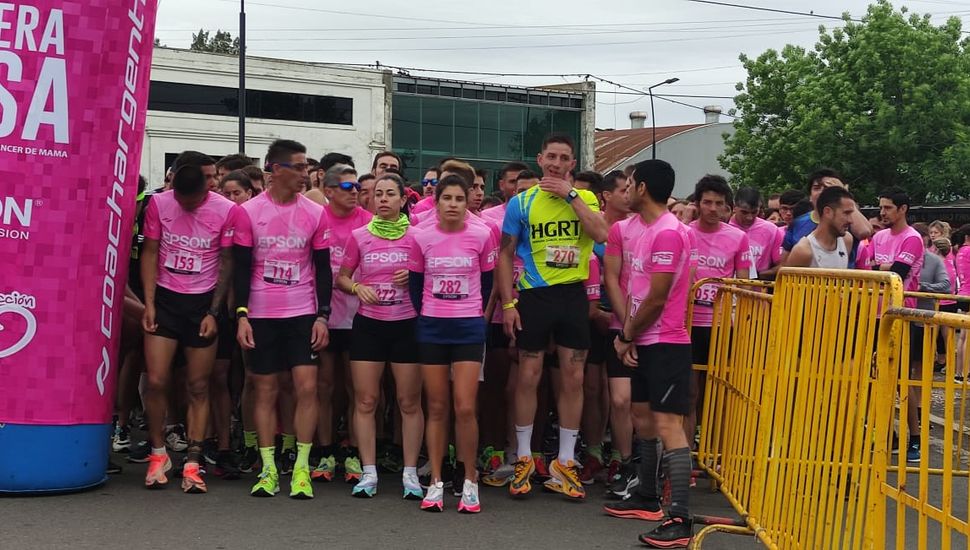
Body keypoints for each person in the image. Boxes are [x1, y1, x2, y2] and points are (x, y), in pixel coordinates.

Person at [498, 133, 608, 501]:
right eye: (552, 157)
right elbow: (504, 254)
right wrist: (508, 305)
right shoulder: (522, 202)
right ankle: (524, 457)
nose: (557, 164)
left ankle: (564, 462)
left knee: (573, 378)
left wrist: (571, 195)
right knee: (528, 375)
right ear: (541, 158)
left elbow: (601, 233)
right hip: (534, 296)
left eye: (564, 158)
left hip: (573, 296)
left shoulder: (587, 198)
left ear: (572, 164)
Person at [233, 139, 333, 499]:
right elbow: (241, 269)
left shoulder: (315, 213)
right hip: (261, 312)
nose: (306, 173)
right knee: (266, 389)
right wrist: (242, 316)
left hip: (302, 312)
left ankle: (301, 468)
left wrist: (322, 317)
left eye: (307, 167)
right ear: (277, 170)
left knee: (307, 387)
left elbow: (324, 270)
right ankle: (268, 469)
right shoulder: (248, 212)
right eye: (300, 166)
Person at [608, 159, 696, 548]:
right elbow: (637, 290)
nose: (624, 190)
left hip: (666, 341)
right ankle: (645, 495)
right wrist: (631, 336)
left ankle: (679, 516)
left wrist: (626, 333)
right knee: (642, 416)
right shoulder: (643, 231)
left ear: (642, 187)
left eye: (628, 183)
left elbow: (657, 298)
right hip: (644, 339)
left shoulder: (668, 233)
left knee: (667, 426)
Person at [140, 153, 238, 494]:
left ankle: (193, 462)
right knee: (156, 380)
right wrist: (149, 304)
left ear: (205, 192)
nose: (186, 205)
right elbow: (150, 251)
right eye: (181, 200)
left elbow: (227, 263)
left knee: (199, 385)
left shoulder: (225, 209)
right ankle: (157, 454)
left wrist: (214, 312)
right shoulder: (158, 204)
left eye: (192, 201)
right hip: (166, 300)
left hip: (201, 304)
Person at [408, 175, 496, 513]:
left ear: (466, 202)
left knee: (465, 406)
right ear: (438, 201)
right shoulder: (421, 236)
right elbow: (416, 285)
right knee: (437, 406)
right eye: (448, 198)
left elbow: (487, 284)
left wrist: (474, 314)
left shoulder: (482, 234)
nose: (454, 204)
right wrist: (431, 312)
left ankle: (470, 480)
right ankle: (436, 482)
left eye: (460, 198)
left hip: (469, 329)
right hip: (432, 327)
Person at [334, 173, 424, 499]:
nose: (383, 199)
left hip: (406, 325)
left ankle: (410, 474)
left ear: (403, 200)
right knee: (366, 400)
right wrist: (358, 287)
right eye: (378, 194)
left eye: (390, 194)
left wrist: (414, 277)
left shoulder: (418, 236)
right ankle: (368, 472)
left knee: (408, 401)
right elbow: (342, 278)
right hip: (369, 325)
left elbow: (431, 279)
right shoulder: (358, 236)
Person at [480, 171, 540, 488]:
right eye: (519, 190)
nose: (524, 196)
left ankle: (521, 454)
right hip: (499, 314)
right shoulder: (492, 219)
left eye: (531, 190)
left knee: (523, 386)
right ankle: (495, 452)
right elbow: (493, 267)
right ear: (508, 190)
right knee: (494, 388)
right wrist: (492, 310)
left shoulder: (545, 216)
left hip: (532, 312)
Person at [314, 163, 373, 484]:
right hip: (324, 316)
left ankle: (351, 450)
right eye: (349, 188)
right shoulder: (317, 219)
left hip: (359, 318)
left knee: (356, 390)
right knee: (323, 387)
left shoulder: (368, 222)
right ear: (330, 191)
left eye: (358, 188)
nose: (356, 194)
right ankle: (324, 449)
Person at [686, 176, 751, 451]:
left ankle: (715, 453)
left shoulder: (739, 237)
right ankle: (685, 455)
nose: (712, 208)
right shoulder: (684, 232)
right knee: (689, 393)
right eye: (707, 202)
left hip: (723, 325)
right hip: (687, 325)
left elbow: (745, 285)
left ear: (728, 207)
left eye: (719, 204)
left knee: (719, 393)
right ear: (698, 204)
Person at [868, 188, 925, 462]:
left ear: (902, 209)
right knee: (877, 377)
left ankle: (915, 438)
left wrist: (881, 268)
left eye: (888, 208)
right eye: (882, 207)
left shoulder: (912, 238)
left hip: (904, 314)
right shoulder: (878, 237)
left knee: (902, 380)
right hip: (877, 314)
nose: (882, 212)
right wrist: (882, 268)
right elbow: (868, 270)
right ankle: (887, 435)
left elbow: (897, 274)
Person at [785, 186, 856, 269]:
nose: (851, 220)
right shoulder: (803, 250)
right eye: (846, 213)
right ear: (827, 212)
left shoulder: (847, 240)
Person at [730, 187, 783, 280]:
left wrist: (759, 275)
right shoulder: (725, 228)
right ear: (734, 207)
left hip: (759, 290)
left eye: (754, 212)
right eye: (744, 212)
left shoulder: (771, 230)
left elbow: (782, 265)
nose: (749, 217)